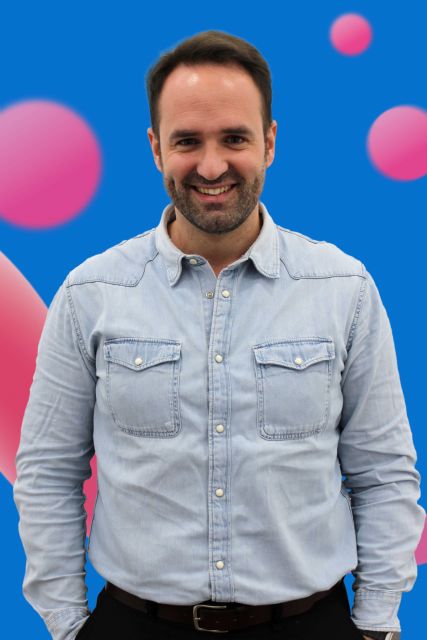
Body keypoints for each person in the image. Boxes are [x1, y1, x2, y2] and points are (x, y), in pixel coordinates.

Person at [14, 30, 425, 640]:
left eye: (234, 138)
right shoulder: (91, 292)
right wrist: (68, 624)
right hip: (135, 623)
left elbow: (383, 472)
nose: (211, 166)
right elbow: (48, 470)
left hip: (311, 623)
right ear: (156, 148)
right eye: (187, 141)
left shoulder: (345, 288)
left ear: (270, 142)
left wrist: (374, 624)